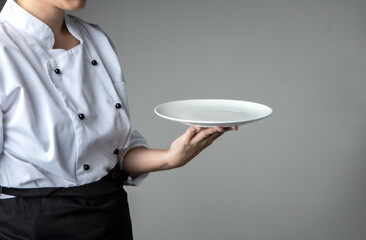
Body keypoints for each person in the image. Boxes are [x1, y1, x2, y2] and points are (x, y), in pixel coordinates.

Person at [0, 0, 237, 239]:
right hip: (31, 227)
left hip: (110, 218)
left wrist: (171, 158)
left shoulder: (95, 39)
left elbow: (115, 152)